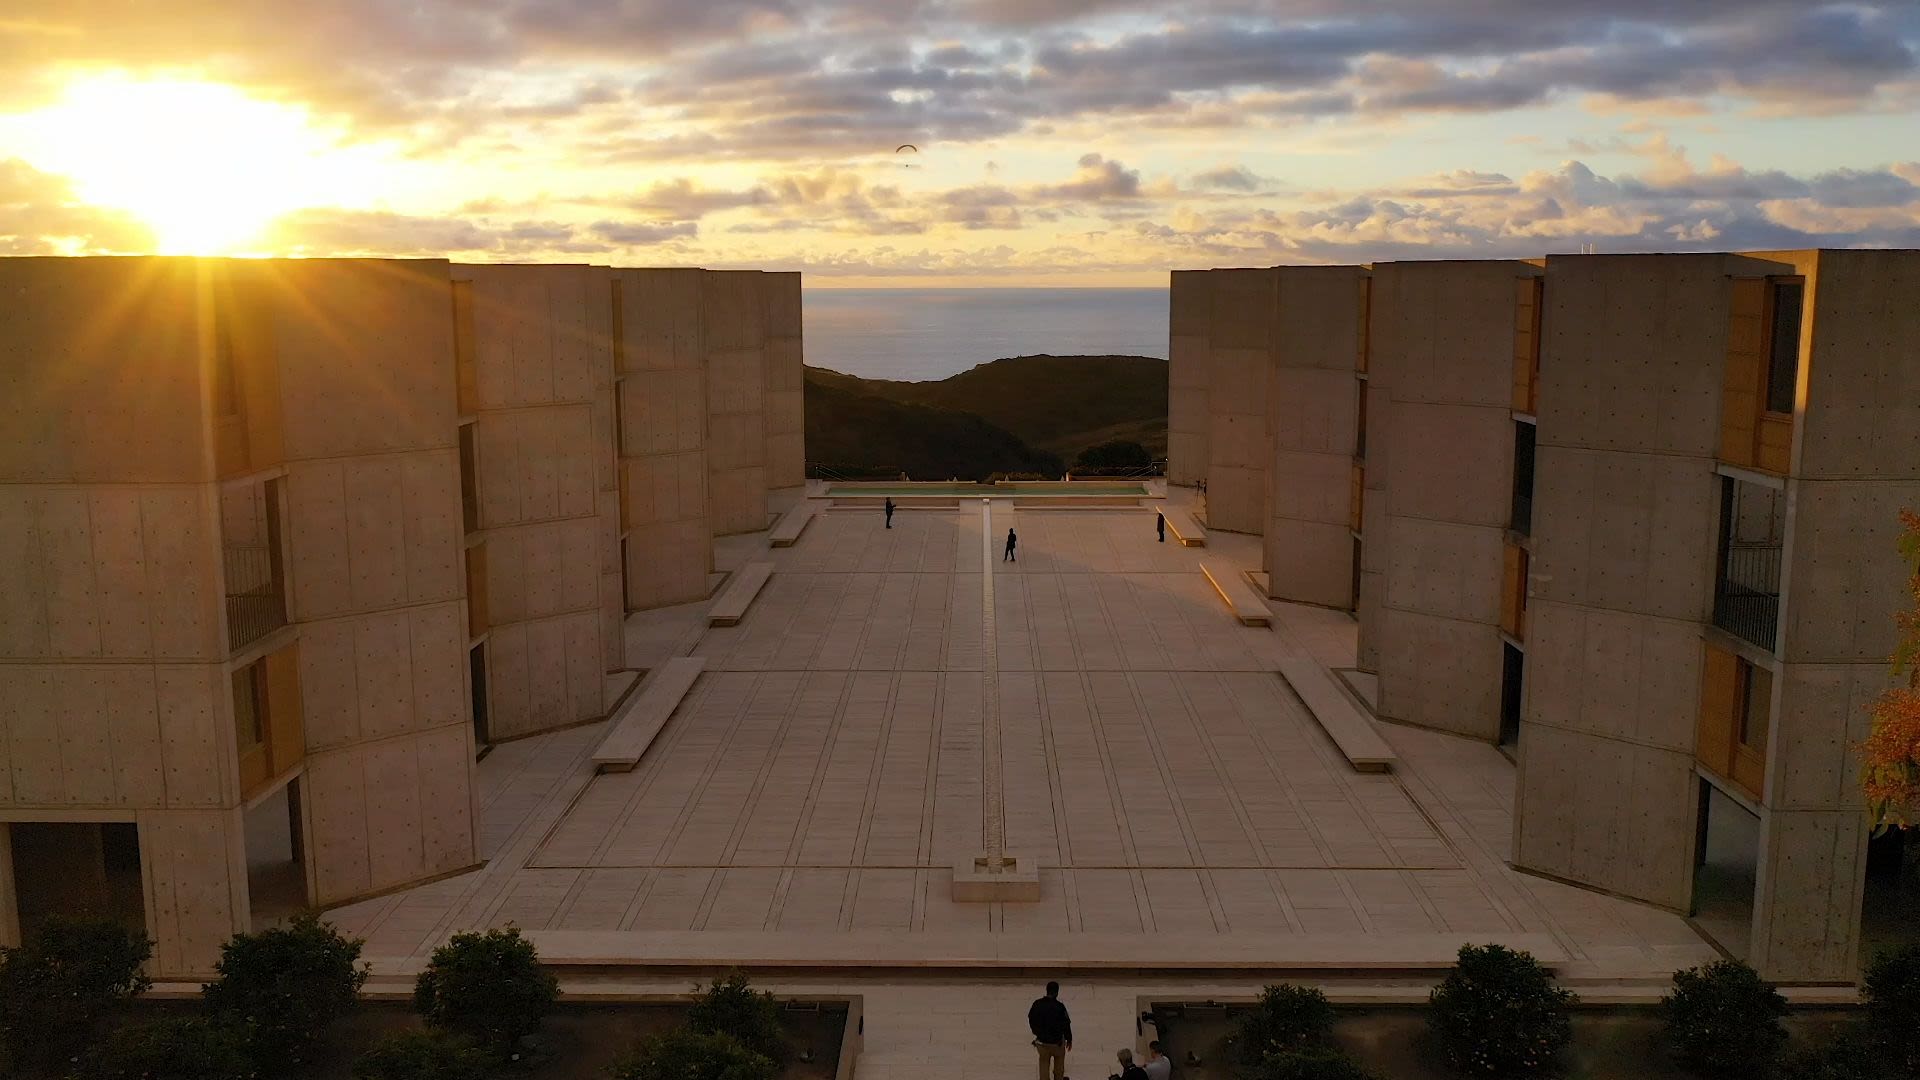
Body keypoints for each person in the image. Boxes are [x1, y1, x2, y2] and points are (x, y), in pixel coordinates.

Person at [1028, 981, 1072, 1080]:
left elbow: (1030, 1018)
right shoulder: (1060, 1007)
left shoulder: (1037, 1004)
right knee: (1059, 1063)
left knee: (1043, 1062)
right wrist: (1069, 1039)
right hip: (1057, 1043)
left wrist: (1036, 1032)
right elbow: (1066, 1024)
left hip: (1042, 1042)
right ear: (1057, 992)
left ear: (1047, 991)